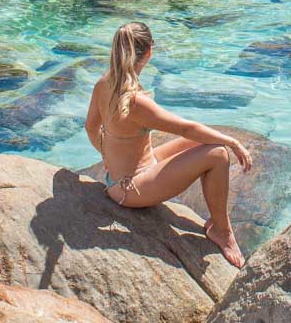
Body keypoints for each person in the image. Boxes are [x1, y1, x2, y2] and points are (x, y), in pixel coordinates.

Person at [85, 22, 253, 268]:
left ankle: (217, 222)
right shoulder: (136, 101)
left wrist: (108, 158)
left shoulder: (104, 82)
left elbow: (90, 127)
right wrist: (232, 141)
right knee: (218, 153)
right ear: (149, 53)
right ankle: (222, 230)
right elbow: (183, 127)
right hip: (130, 189)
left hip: (119, 179)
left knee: (204, 138)